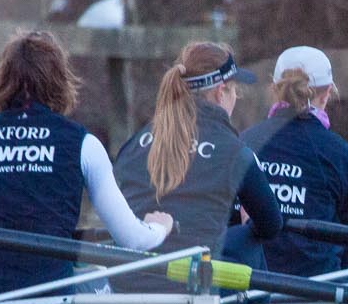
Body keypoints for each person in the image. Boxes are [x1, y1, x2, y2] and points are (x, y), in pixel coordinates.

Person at [0, 30, 172, 302]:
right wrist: (160, 227)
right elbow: (134, 241)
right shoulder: (82, 144)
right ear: (60, 81)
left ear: (3, 81)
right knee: (98, 276)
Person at [113, 40, 284, 268]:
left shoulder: (132, 145)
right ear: (220, 92)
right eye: (234, 90)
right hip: (195, 285)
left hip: (132, 279)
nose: (235, 98)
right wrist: (247, 225)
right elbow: (271, 226)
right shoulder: (235, 153)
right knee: (251, 241)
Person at [240, 45, 348, 276]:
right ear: (329, 92)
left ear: (275, 88)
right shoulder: (343, 156)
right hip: (318, 295)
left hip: (248, 291)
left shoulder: (243, 143)